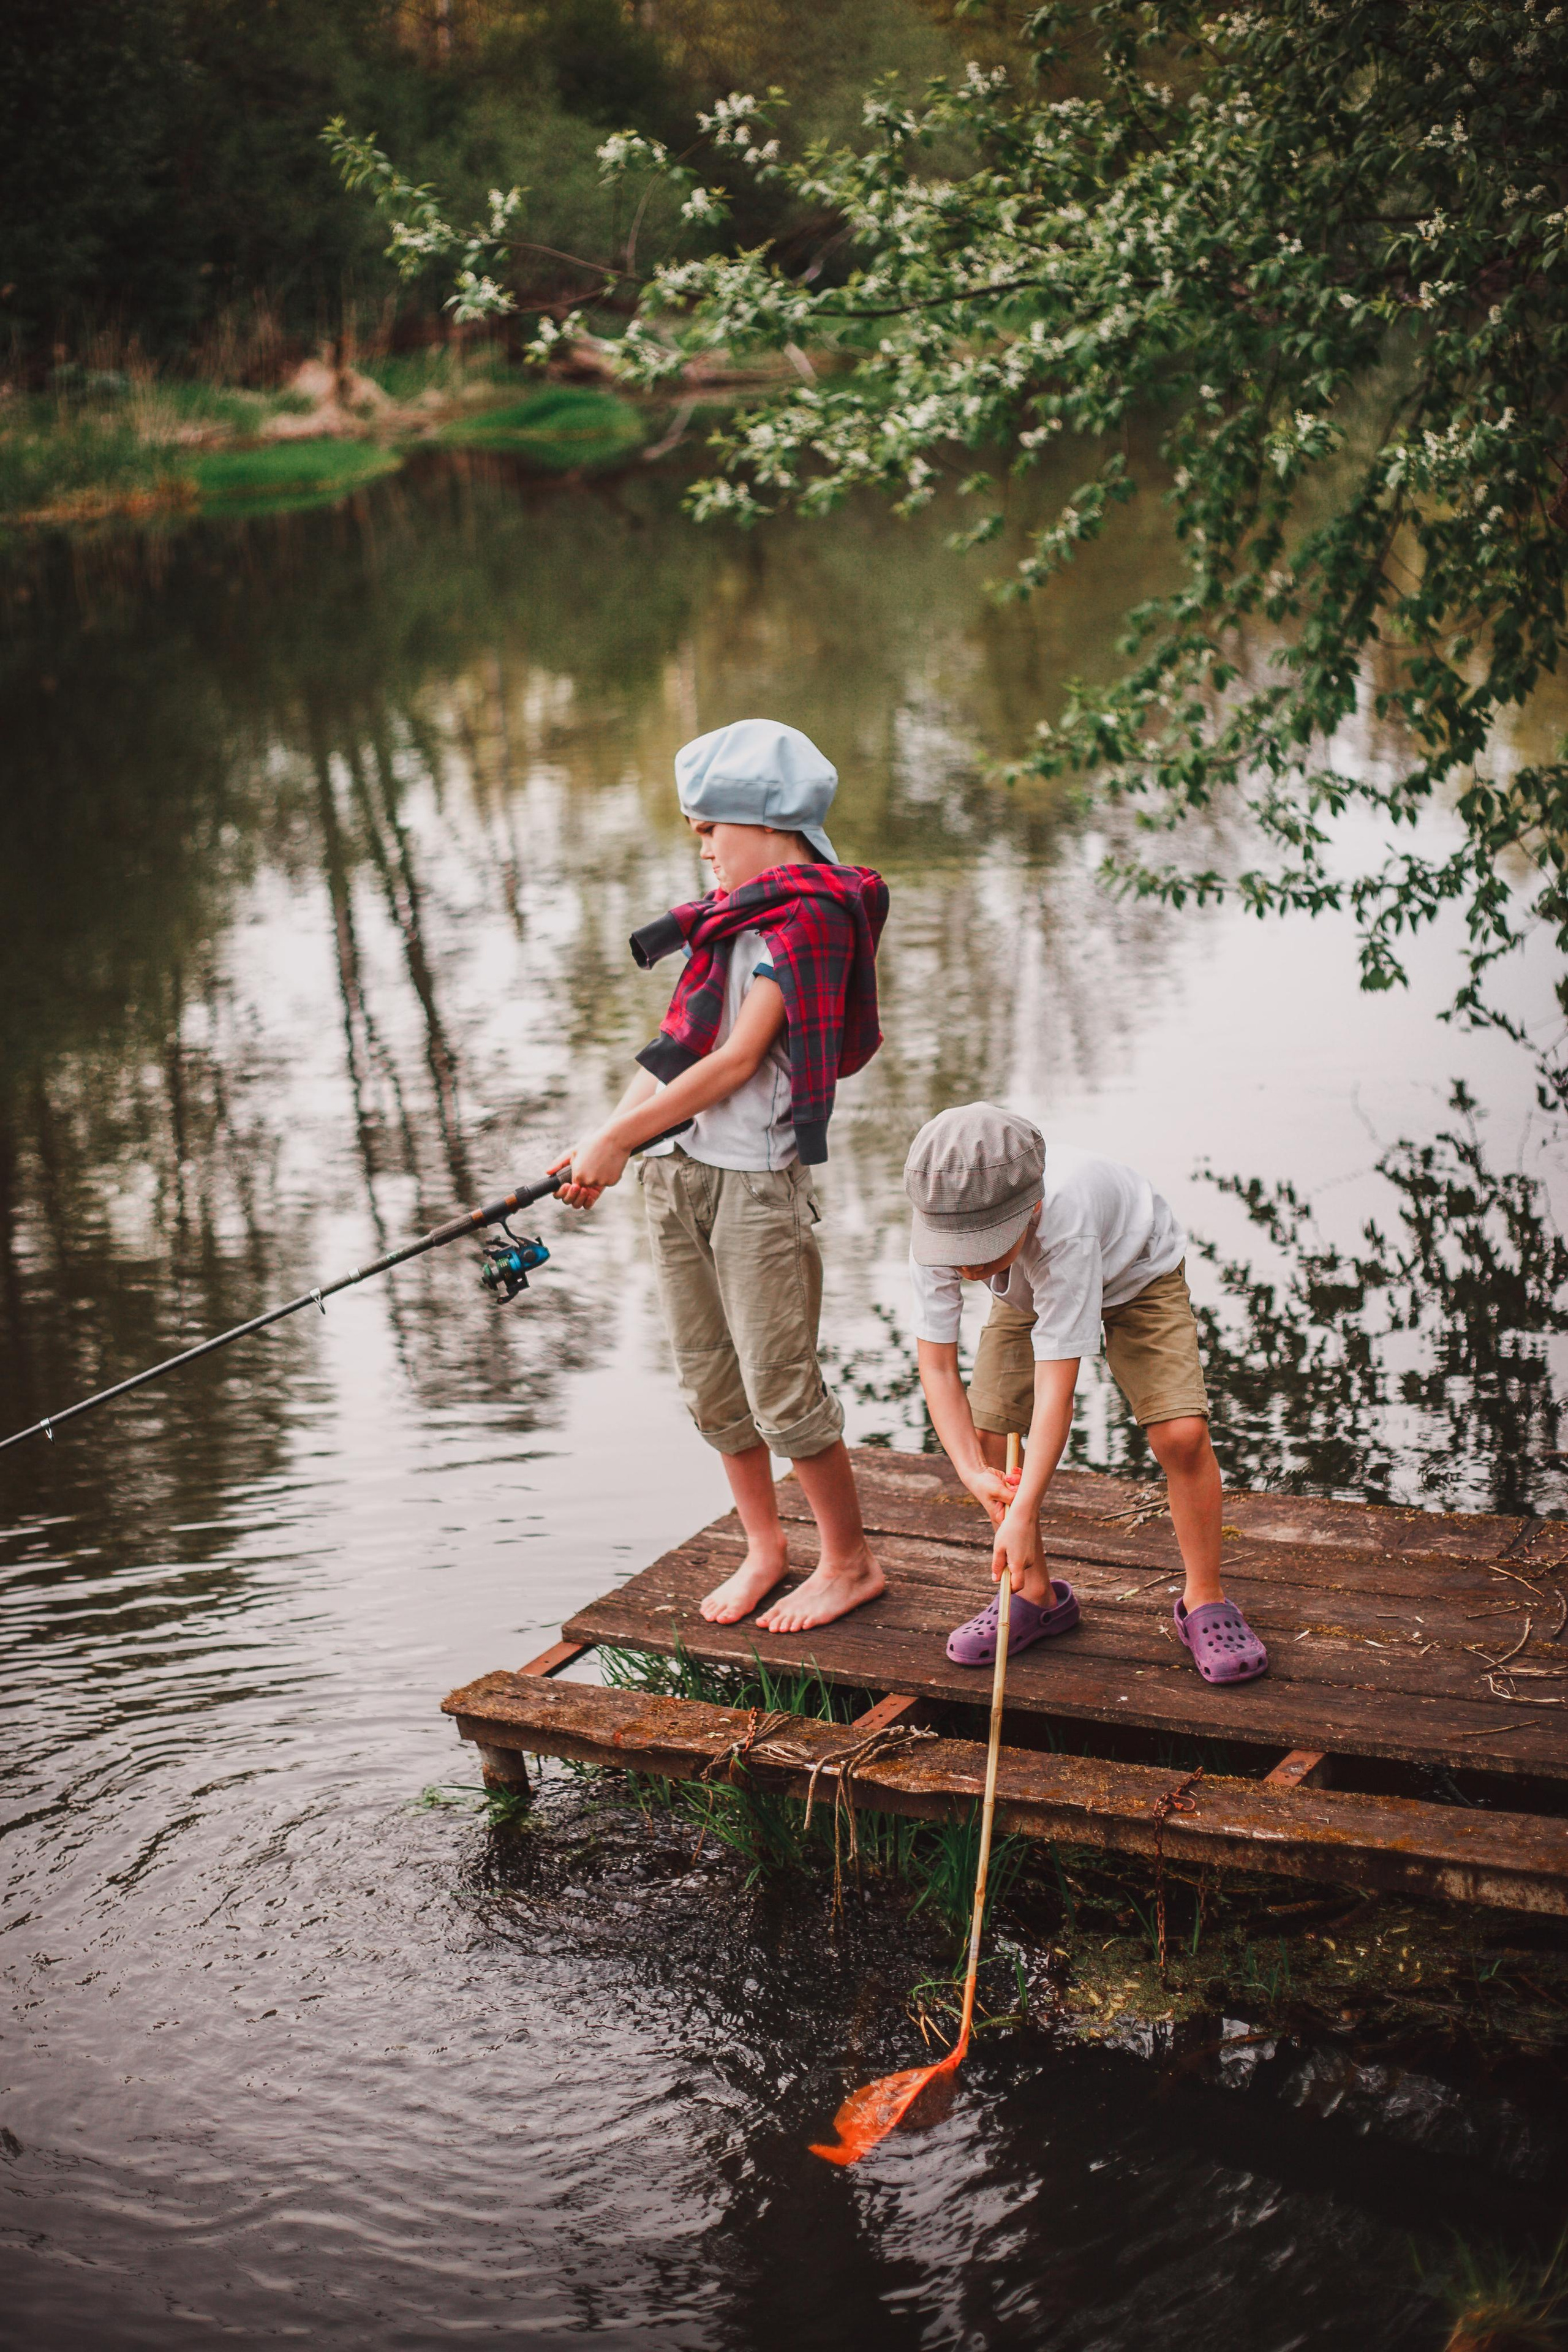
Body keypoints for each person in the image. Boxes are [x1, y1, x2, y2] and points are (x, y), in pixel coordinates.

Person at [551, 718, 889, 1634]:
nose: (700, 843)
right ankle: (766, 1548)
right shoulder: (729, 917)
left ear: (768, 820)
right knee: (712, 1385)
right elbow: (677, 1052)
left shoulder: (810, 917)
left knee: (781, 1385)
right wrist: (611, 1138)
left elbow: (739, 1059)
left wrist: (619, 1141)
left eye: (712, 826)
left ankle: (850, 1563)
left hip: (755, 1188)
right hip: (680, 1177)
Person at [903, 1102, 1267, 1685]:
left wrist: (1021, 1513)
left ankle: (1206, 1598)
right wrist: (974, 1473)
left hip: (1136, 1272)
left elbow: (1057, 1392)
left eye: (978, 1248)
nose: (964, 1269)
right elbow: (938, 1368)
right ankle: (1038, 1597)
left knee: (1182, 1434)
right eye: (954, 1250)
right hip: (1026, 1290)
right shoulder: (942, 1228)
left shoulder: (1065, 1225)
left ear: (1031, 1210)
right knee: (991, 1431)